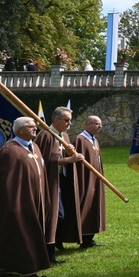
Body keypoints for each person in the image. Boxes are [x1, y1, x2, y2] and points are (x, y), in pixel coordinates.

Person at [0, 117, 50, 277]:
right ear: (20, 130)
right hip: (19, 201)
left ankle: (3, 267)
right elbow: (4, 180)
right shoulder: (9, 151)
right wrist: (12, 203)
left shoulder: (35, 147)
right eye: (30, 127)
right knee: (22, 233)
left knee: (15, 234)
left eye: (35, 126)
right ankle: (28, 272)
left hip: (36, 197)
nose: (35, 129)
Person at [33, 107, 84, 263]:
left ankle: (58, 240)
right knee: (55, 215)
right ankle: (49, 252)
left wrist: (71, 154)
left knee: (64, 212)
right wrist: (68, 160)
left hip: (63, 180)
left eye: (70, 120)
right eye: (66, 120)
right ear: (56, 120)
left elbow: (63, 155)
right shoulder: (46, 135)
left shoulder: (64, 136)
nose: (69, 123)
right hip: (50, 182)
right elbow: (43, 161)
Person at [74, 115, 106, 248]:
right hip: (86, 179)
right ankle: (83, 237)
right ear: (88, 124)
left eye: (100, 124)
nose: (100, 127)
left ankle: (90, 237)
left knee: (94, 204)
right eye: (97, 124)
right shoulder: (80, 139)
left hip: (95, 178)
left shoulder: (94, 140)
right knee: (86, 204)